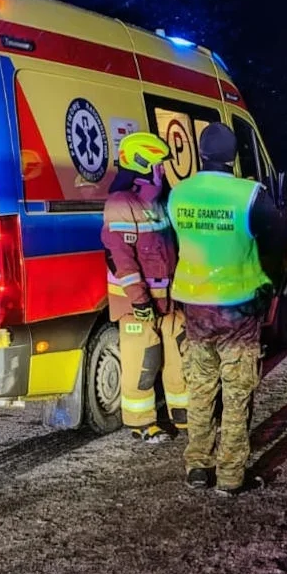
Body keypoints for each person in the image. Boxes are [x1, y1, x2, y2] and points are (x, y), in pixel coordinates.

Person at [168, 122, 285, 496]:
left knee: (200, 388)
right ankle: (232, 474)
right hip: (238, 309)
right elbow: (278, 238)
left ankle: (197, 466)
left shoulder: (178, 194)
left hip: (195, 308)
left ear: (201, 154)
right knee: (237, 393)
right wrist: (268, 281)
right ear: (233, 156)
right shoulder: (248, 194)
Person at [102, 132, 186, 443]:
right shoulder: (121, 204)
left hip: (170, 300)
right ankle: (141, 422)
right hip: (138, 303)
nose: (163, 170)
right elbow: (122, 259)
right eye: (158, 165)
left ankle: (185, 416)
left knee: (179, 356)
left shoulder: (160, 202)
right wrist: (139, 300)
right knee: (144, 360)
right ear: (142, 165)